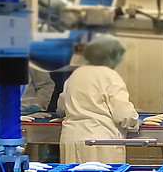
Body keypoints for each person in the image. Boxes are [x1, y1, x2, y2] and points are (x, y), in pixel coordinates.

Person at [56, 35, 139, 163]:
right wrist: (135, 122)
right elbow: (123, 114)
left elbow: (61, 108)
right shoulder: (110, 76)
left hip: (71, 138)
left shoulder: (75, 74)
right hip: (99, 140)